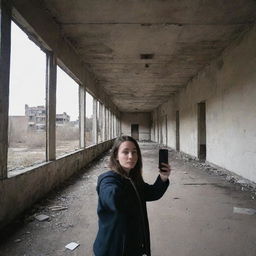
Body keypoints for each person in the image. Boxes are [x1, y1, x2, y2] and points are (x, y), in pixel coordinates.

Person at [93, 136, 171, 256]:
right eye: (125, 152)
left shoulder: (133, 179)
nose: (131, 156)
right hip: (113, 248)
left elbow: (152, 193)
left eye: (134, 152)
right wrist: (112, 193)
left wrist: (163, 177)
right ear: (115, 156)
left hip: (133, 245)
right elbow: (110, 197)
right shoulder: (108, 179)